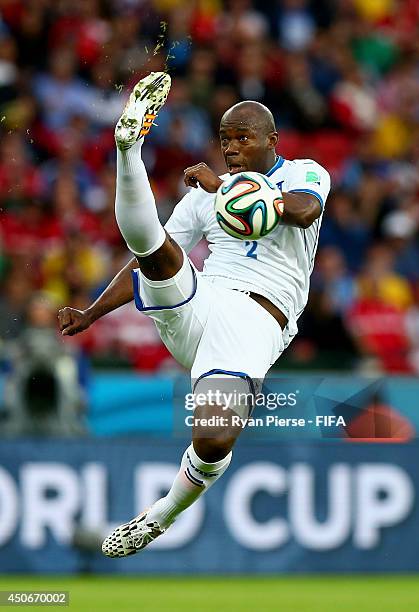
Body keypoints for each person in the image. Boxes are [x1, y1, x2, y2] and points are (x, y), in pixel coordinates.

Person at [58, 71, 331, 557]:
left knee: (211, 436)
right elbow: (150, 257)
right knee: (155, 250)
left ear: (273, 140)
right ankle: (128, 151)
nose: (231, 148)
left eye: (242, 138)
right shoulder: (206, 194)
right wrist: (93, 312)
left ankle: (162, 513)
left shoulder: (305, 172)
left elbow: (303, 211)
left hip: (255, 321)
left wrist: (225, 186)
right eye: (225, 140)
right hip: (203, 299)